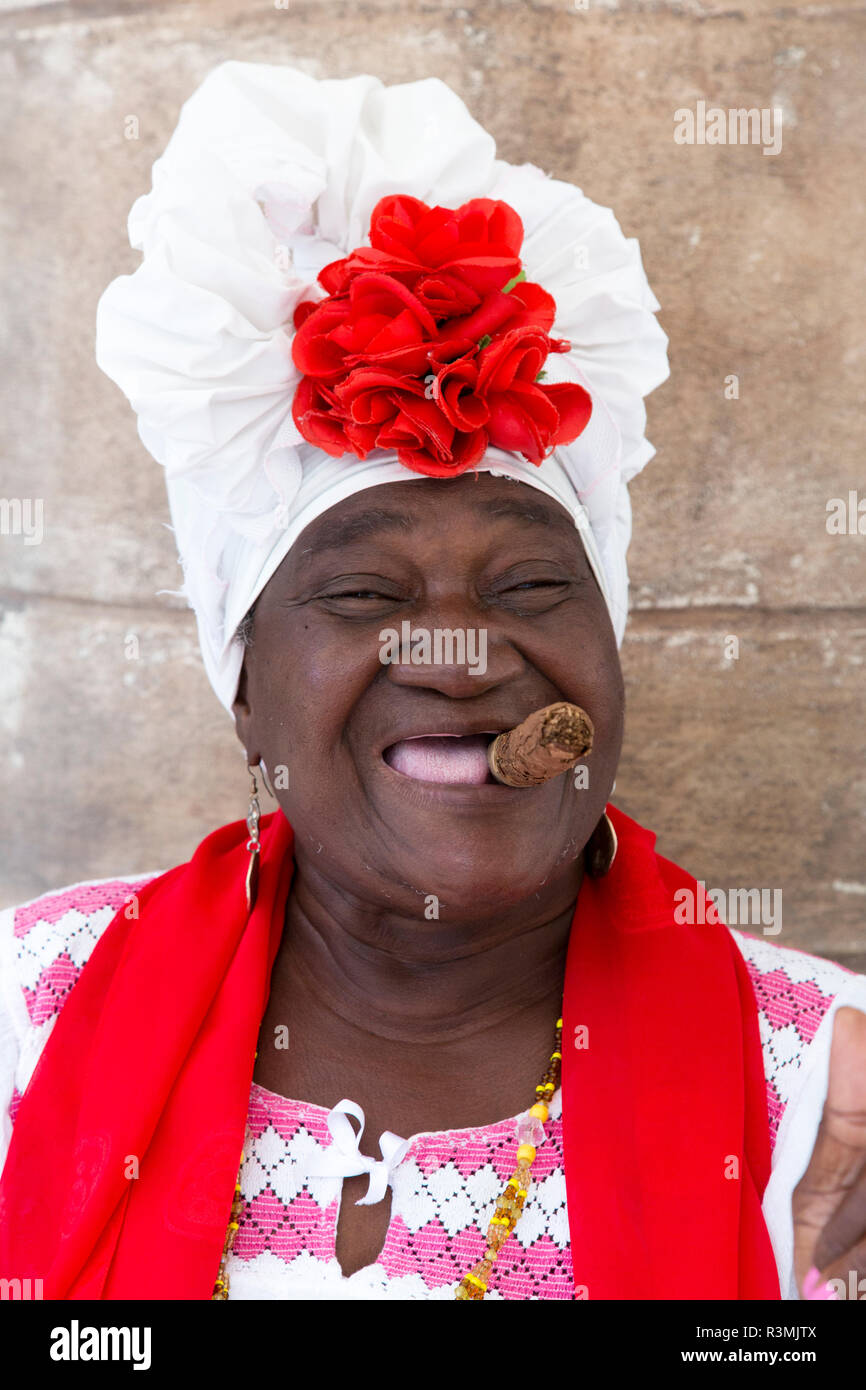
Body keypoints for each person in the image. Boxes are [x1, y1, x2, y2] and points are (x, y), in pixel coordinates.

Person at [1, 61, 864, 1302]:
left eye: (527, 590)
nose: (459, 654)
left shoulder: (813, 1099)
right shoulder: (33, 1019)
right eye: (363, 597)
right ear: (246, 693)